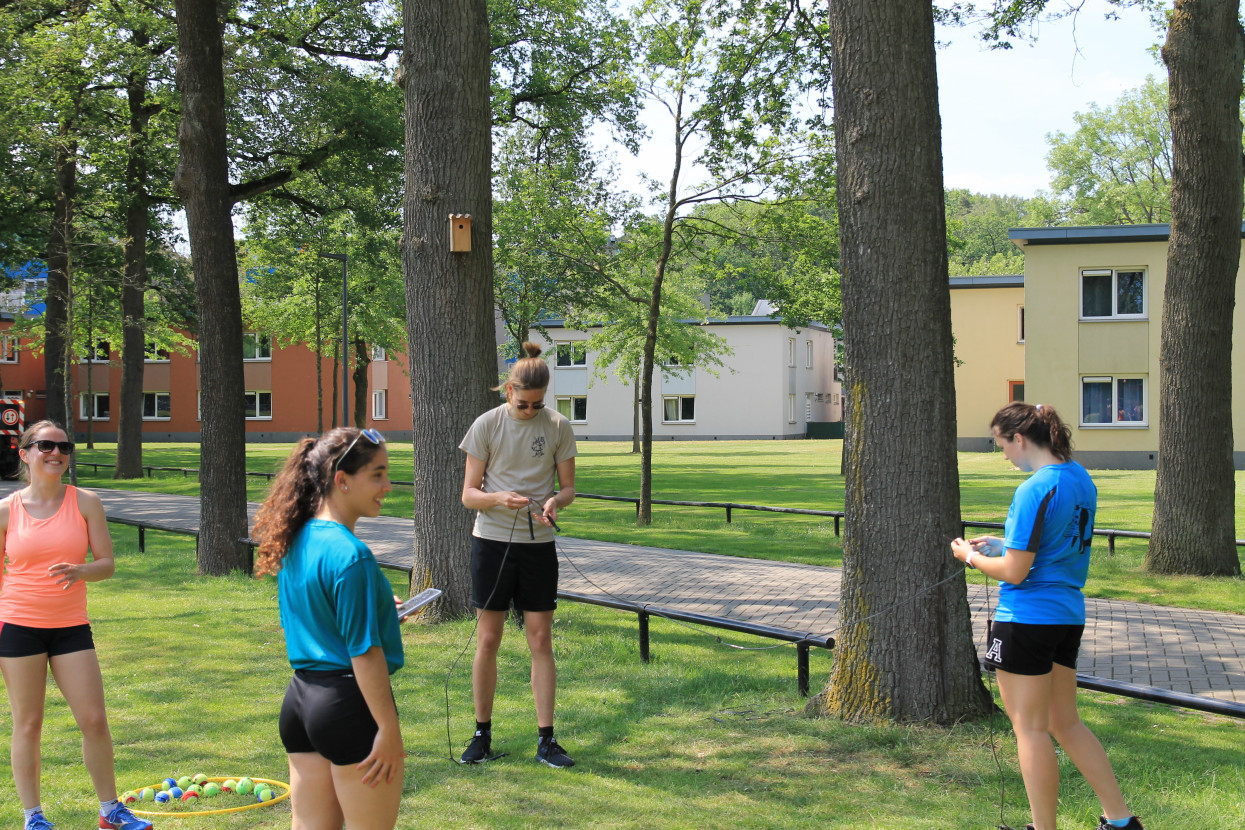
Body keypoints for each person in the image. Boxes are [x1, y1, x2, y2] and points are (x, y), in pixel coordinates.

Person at [950, 403, 1143, 830]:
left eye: (1001, 445)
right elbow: (1055, 543)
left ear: (1019, 439)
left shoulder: (1035, 487)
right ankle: (1121, 821)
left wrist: (970, 558)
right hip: (1067, 616)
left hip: (1026, 619)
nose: (1003, 456)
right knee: (1064, 722)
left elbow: (1016, 573)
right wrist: (1004, 544)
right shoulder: (1080, 478)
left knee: (1031, 730)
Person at [0, 420, 153, 830]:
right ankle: (34, 817)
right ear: (25, 453)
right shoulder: (6, 510)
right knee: (28, 723)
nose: (56, 453)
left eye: (64, 446)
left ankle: (110, 811)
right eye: (46, 445)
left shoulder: (85, 502)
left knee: (94, 719)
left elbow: (107, 563)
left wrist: (83, 570)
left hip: (70, 627)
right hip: (18, 626)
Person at [253, 427, 405, 830]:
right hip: (347, 707)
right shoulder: (352, 555)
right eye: (377, 474)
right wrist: (389, 731)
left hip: (301, 704)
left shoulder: (296, 537)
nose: (387, 486)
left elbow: (319, 611)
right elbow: (364, 653)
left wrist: (378, 610)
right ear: (342, 480)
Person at [458, 342, 577, 768]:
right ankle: (481, 735)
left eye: (538, 404)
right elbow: (469, 495)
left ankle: (547, 739)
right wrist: (496, 498)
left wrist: (554, 504)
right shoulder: (486, 425)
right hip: (491, 543)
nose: (531, 411)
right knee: (487, 639)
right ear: (509, 391)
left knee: (540, 639)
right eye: (524, 404)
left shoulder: (558, 425)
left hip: (538, 547)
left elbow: (567, 489)